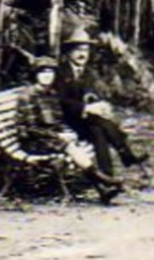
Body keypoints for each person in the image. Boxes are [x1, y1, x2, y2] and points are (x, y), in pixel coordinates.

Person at [20, 56, 123, 204]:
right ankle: (103, 181)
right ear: (36, 75)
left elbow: (57, 121)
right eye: (42, 72)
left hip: (51, 139)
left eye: (50, 72)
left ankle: (103, 188)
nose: (47, 75)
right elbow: (29, 129)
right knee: (70, 147)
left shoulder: (51, 94)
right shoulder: (28, 96)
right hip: (33, 141)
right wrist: (57, 135)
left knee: (74, 143)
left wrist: (66, 132)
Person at [57, 28, 150, 184]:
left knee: (98, 131)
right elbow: (60, 100)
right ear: (68, 53)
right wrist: (85, 108)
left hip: (84, 122)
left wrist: (97, 102)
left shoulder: (87, 72)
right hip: (65, 122)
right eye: (78, 50)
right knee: (101, 124)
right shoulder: (60, 72)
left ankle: (107, 177)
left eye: (85, 50)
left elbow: (91, 93)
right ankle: (126, 155)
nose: (82, 54)